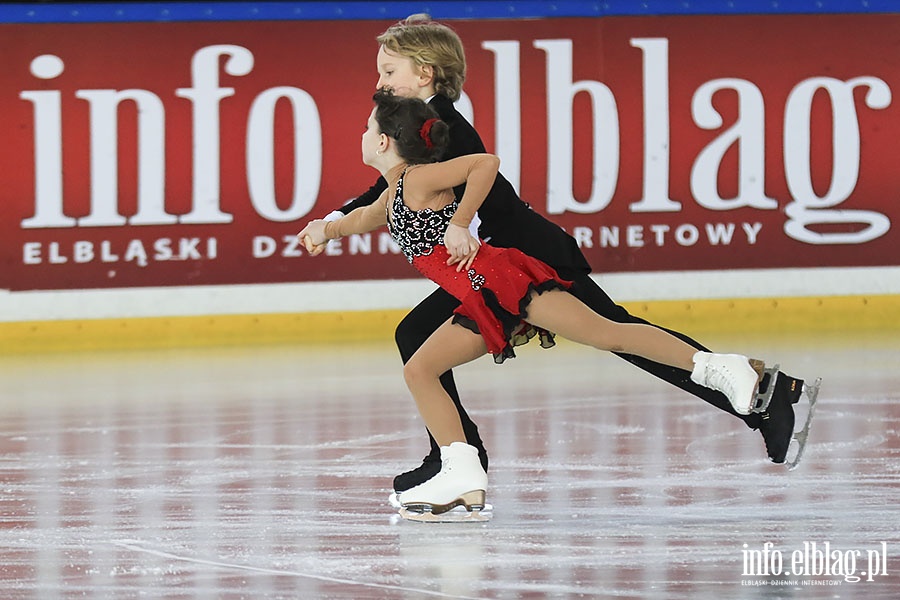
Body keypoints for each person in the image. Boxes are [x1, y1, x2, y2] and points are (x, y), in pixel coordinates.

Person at [306, 16, 815, 496]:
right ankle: (455, 457)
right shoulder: (426, 124)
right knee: (594, 332)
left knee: (612, 332)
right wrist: (332, 223)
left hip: (524, 258)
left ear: (425, 72)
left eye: (389, 71)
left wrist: (441, 224)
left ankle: (765, 396)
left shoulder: (443, 128)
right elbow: (387, 192)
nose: (381, 82)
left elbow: (407, 186)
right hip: (500, 263)